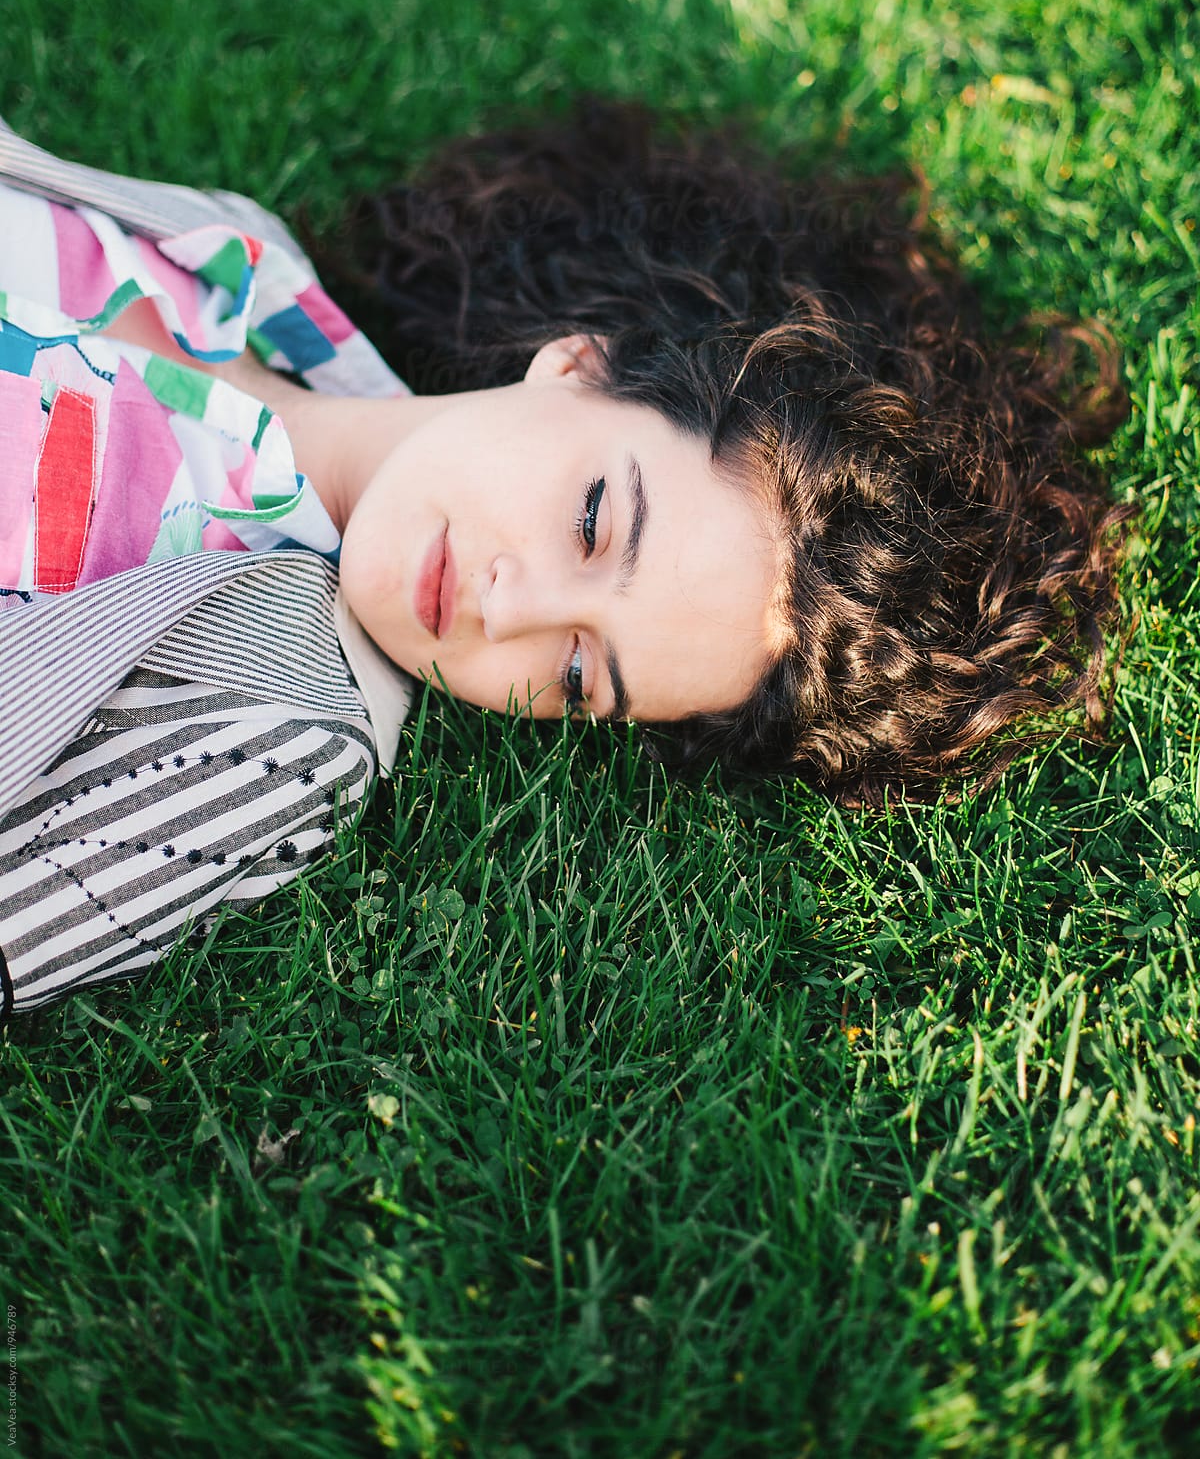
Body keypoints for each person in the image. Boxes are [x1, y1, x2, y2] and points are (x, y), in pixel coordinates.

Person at [0, 100, 1129, 1025]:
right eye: (594, 521)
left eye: (583, 675)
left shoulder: (278, 735)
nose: (511, 610)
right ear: (582, 364)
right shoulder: (240, 265)